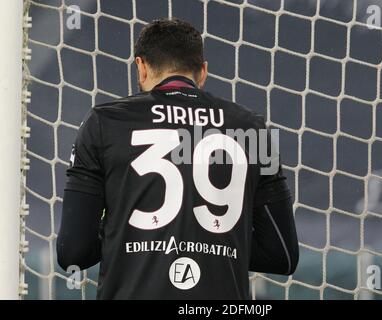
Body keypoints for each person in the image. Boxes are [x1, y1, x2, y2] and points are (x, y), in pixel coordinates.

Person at [57, 18, 298, 299]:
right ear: (203, 72)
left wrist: (127, 231)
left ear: (141, 67)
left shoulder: (104, 122)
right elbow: (282, 254)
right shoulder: (252, 128)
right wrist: (213, 241)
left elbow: (72, 251)